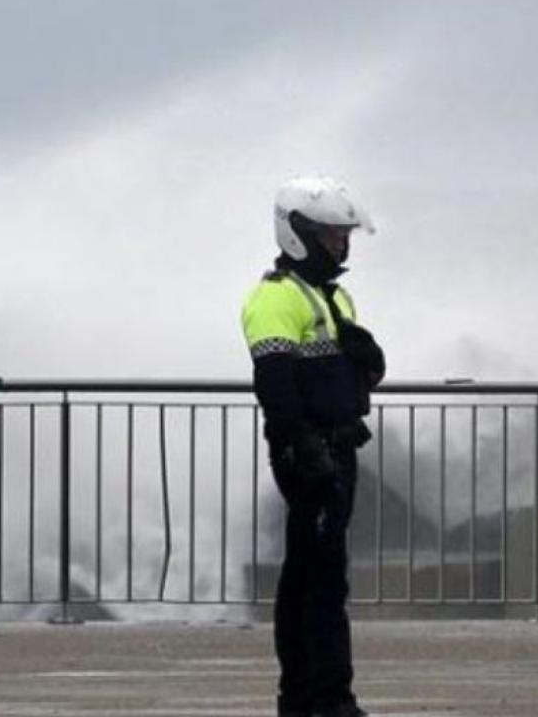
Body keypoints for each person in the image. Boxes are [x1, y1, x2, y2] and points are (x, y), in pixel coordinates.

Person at [241, 176, 386, 717]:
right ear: (298, 232)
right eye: (330, 235)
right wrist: (302, 447)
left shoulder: (332, 296)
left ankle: (305, 698)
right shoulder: (275, 298)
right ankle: (324, 700)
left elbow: (354, 375)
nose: (340, 244)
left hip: (339, 447)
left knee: (312, 574)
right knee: (319, 583)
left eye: (343, 234)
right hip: (309, 454)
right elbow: (276, 387)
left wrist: (369, 358)